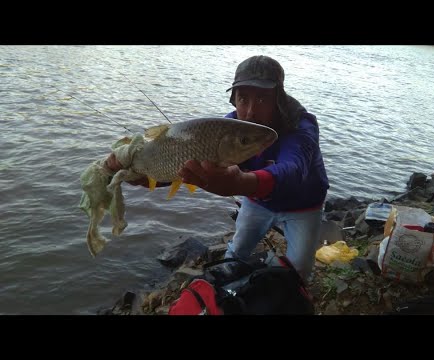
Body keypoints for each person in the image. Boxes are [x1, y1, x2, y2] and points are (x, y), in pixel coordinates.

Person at [107, 55, 329, 282]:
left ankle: (279, 286)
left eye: (262, 100)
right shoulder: (227, 129)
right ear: (234, 100)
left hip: (303, 205)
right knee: (238, 249)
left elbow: (293, 170)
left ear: (279, 100)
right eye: (243, 99)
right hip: (257, 202)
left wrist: (241, 183)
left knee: (300, 268)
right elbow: (185, 164)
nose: (251, 111)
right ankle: (230, 284)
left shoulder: (301, 126)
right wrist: (151, 175)